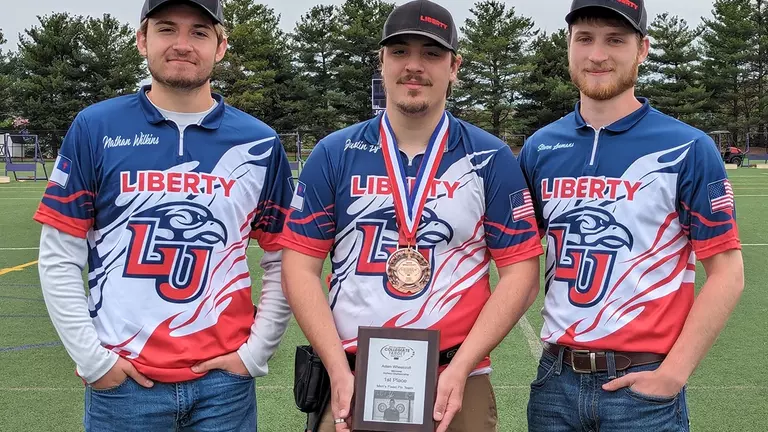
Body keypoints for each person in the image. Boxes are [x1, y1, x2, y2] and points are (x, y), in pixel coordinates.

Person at [279, 1, 543, 432]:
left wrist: (462, 367)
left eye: (432, 54)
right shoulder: (334, 152)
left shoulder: (489, 156)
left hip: (457, 377)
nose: (414, 66)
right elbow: (299, 266)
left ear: (454, 67)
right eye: (400, 51)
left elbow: (520, 274)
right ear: (381, 62)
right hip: (351, 374)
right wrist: (335, 368)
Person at [34, 0, 294, 430]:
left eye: (199, 32)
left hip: (223, 387)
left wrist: (255, 353)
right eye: (167, 29)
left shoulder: (258, 143)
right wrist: (94, 361)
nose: (182, 44)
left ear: (221, 46)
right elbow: (60, 253)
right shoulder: (95, 127)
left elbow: (283, 256)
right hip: (123, 384)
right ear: (142, 40)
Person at [518, 0, 745, 430]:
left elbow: (728, 272)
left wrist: (673, 373)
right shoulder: (540, 147)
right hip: (555, 382)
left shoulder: (687, 147)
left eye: (615, 40)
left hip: (642, 388)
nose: (597, 54)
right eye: (584, 38)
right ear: (568, 46)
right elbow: (521, 268)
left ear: (642, 49)